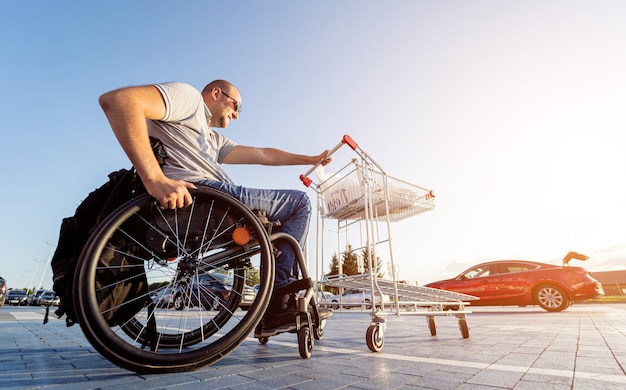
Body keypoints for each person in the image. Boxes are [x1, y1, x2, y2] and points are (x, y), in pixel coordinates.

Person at [99, 80, 331, 337]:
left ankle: (275, 306)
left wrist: (310, 159)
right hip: (206, 198)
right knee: (300, 204)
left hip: (216, 207)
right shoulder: (189, 100)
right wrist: (153, 178)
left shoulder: (212, 139)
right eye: (236, 106)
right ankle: (278, 300)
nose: (236, 114)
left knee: (277, 228)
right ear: (216, 93)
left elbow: (264, 155)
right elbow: (120, 101)